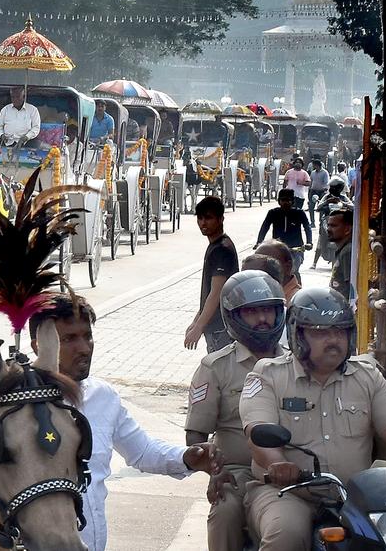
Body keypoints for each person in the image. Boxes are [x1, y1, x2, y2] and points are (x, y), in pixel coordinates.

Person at [240, 288, 386, 551]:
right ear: (297, 335)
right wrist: (277, 464)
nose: (333, 340)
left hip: (355, 496)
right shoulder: (267, 375)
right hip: (287, 493)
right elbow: (257, 433)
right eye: (320, 332)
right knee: (286, 534)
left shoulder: (367, 376)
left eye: (340, 331)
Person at [29, 294, 218, 551]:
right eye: (69, 339)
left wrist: (187, 458)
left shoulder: (103, 396)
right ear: (38, 346)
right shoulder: (17, 409)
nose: (84, 348)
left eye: (87, 336)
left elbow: (142, 451)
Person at [185, 271, 287, 551]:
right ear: (233, 317)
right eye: (252, 312)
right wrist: (213, 471)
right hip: (236, 472)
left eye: (268, 310)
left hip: (287, 471)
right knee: (225, 510)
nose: (263, 319)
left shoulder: (295, 364)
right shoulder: (215, 367)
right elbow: (195, 434)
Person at [186, 196, 240, 352]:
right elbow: (209, 293)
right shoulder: (216, 246)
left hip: (220, 328)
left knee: (220, 366)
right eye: (200, 218)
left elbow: (216, 292)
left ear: (221, 219)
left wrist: (199, 327)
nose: (203, 223)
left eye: (208, 218)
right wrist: (196, 321)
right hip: (216, 327)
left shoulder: (222, 249)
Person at [255, 189, 312, 277]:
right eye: (283, 200)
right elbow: (264, 227)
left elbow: (307, 227)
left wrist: (309, 242)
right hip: (277, 249)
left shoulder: (299, 213)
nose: (285, 203)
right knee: (274, 272)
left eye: (288, 200)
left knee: (293, 271)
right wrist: (259, 242)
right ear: (279, 201)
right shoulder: (273, 213)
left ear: (292, 201)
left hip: (296, 249)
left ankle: (296, 284)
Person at [310, 178, 351, 269]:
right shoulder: (327, 196)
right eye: (332, 187)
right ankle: (314, 263)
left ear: (340, 188)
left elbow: (352, 206)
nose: (332, 189)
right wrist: (327, 201)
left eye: (335, 187)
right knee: (320, 240)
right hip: (327, 220)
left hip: (340, 221)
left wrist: (343, 203)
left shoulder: (343, 197)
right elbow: (318, 207)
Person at [327, 207, 354, 301]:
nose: (328, 229)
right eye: (328, 225)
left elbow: (351, 287)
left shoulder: (348, 251)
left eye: (333, 226)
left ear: (347, 229)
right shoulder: (344, 250)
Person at [306, 159, 329, 226]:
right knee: (311, 206)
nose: (313, 166)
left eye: (314, 165)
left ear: (317, 165)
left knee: (321, 208)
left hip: (322, 192)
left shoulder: (325, 173)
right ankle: (312, 222)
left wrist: (325, 190)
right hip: (313, 191)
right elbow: (311, 182)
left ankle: (321, 222)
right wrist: (309, 190)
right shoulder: (313, 173)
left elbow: (326, 183)